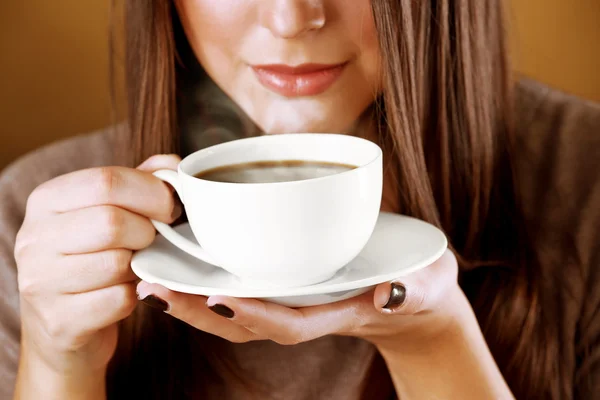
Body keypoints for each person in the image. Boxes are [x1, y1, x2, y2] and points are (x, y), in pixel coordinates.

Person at [1, 1, 599, 399]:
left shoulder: (585, 181)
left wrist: (434, 341)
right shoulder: (46, 221)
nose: (290, 19)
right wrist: (60, 364)